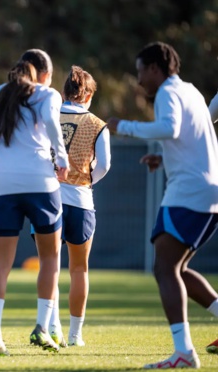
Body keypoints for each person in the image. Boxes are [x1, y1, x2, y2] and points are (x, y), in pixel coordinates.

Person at [107, 41, 218, 369]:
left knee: (164, 268)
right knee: (177, 269)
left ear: (155, 68)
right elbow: (195, 137)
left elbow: (169, 128)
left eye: (141, 72)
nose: (139, 80)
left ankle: (183, 353)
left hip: (188, 194)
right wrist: (164, 156)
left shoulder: (169, 92)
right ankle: (185, 348)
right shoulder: (192, 91)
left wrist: (122, 126)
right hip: (208, 192)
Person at [0, 49, 69, 356]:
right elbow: (50, 120)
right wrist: (60, 157)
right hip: (41, 183)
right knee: (50, 259)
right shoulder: (48, 94)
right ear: (45, 75)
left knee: (0, 265)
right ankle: (41, 327)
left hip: (1, 184)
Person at [42, 66, 111, 348]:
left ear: (64, 92)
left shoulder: (47, 118)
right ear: (89, 94)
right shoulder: (97, 123)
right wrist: (84, 178)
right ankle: (75, 334)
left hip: (47, 198)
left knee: (49, 265)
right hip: (81, 201)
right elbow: (105, 165)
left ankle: (52, 326)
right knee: (79, 269)